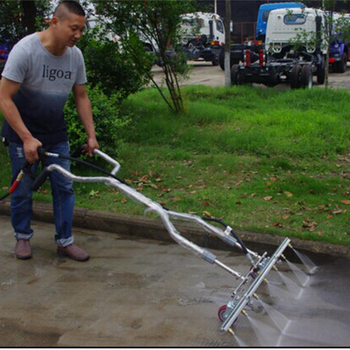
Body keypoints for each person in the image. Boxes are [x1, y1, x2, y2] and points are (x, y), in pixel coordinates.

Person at [0, 0, 99, 261]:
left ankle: (65, 241)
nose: (78, 35)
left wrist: (91, 134)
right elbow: (4, 98)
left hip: (55, 133)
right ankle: (22, 237)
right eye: (73, 29)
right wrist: (26, 137)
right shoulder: (26, 51)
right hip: (23, 133)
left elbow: (81, 96)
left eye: (82, 30)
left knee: (64, 187)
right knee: (22, 188)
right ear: (54, 22)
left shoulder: (74, 56)